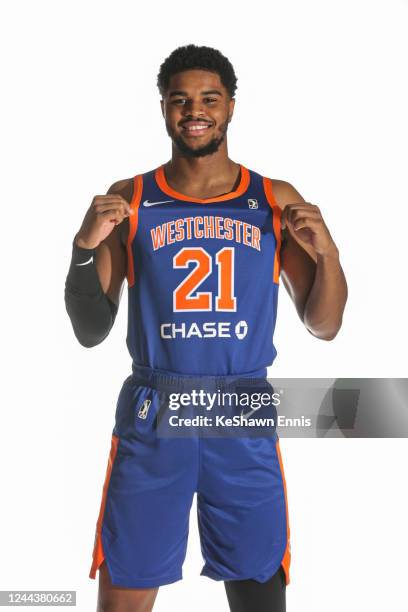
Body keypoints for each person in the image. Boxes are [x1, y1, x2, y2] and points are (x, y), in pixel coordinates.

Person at [65, 44, 347, 612]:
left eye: (209, 99)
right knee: (125, 588)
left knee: (258, 586)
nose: (195, 111)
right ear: (164, 110)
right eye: (181, 100)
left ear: (231, 107)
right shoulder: (132, 197)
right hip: (156, 406)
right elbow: (91, 330)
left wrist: (330, 255)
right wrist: (81, 247)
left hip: (239, 408)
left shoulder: (272, 198)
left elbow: (325, 325)